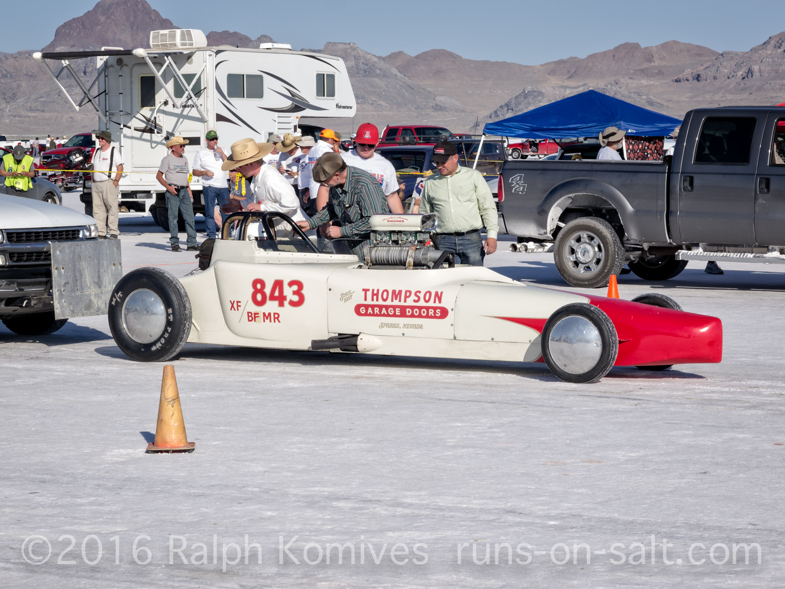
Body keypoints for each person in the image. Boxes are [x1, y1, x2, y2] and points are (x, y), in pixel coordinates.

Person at [296, 152, 391, 259]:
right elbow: (331, 208)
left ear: (336, 175)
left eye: (325, 181)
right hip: (354, 251)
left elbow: (374, 221)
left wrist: (341, 231)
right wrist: (310, 223)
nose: (324, 184)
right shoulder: (337, 184)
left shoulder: (365, 185)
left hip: (374, 253)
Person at [419, 140, 498, 266]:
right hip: (442, 240)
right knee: (448, 277)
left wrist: (492, 236)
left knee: (473, 276)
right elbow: (425, 213)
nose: (439, 166)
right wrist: (424, 237)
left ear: (455, 158)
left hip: (471, 239)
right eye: (437, 162)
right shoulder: (430, 182)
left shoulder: (473, 176)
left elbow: (487, 207)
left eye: (443, 162)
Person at [316, 122, 404, 214]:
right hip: (345, 218)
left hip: (376, 217)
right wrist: (324, 220)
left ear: (377, 143)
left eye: (370, 145)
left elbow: (391, 196)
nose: (366, 148)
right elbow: (325, 188)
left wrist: (401, 221)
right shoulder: (341, 160)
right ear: (356, 141)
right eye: (362, 144)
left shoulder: (385, 165)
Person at [220, 138, 308, 222]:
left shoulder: (271, 178)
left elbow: (292, 203)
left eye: (239, 166)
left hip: (294, 228)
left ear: (250, 164)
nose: (237, 170)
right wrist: (241, 204)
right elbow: (260, 198)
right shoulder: (259, 175)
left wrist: (262, 208)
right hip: (281, 226)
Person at [156, 136, 198, 252]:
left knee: (190, 218)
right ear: (173, 147)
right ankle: (175, 243)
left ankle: (192, 243)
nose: (183, 148)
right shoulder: (167, 159)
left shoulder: (184, 159)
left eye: (184, 146)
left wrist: (189, 190)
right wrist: (168, 187)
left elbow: (185, 176)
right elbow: (159, 176)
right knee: (173, 218)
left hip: (184, 190)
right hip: (173, 191)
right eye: (181, 146)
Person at [192, 130, 229, 239]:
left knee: (226, 212)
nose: (215, 141)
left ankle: (227, 234)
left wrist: (222, 153)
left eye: (216, 139)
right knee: (210, 212)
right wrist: (205, 172)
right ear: (207, 140)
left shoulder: (222, 150)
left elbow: (229, 165)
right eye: (212, 139)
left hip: (223, 186)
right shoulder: (201, 153)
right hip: (209, 186)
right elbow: (195, 171)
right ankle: (211, 235)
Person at [90, 130, 124, 239]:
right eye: (99, 138)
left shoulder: (113, 151)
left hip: (108, 183)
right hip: (96, 184)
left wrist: (115, 181)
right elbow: (93, 167)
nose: (100, 140)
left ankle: (113, 232)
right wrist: (92, 180)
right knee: (98, 209)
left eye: (102, 138)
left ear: (107, 140)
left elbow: (120, 167)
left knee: (112, 208)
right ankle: (101, 232)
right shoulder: (97, 151)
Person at [308, 129, 341, 209]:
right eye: (333, 140)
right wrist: (336, 151)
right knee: (324, 215)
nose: (334, 142)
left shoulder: (313, 149)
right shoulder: (326, 150)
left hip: (313, 187)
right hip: (323, 189)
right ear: (330, 139)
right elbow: (338, 166)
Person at [295, 135, 315, 215]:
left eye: (302, 146)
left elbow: (315, 176)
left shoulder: (313, 157)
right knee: (304, 213)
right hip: (302, 188)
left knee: (310, 213)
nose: (300, 147)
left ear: (309, 146)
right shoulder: (303, 157)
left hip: (308, 189)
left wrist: (309, 192)